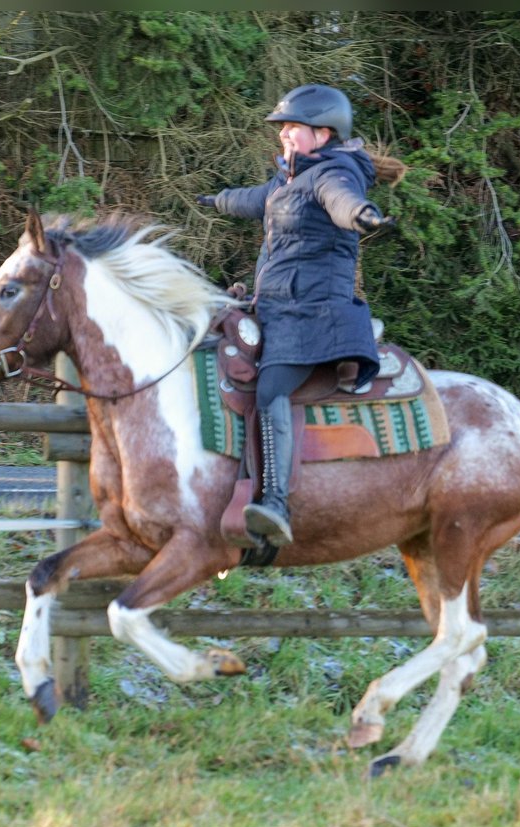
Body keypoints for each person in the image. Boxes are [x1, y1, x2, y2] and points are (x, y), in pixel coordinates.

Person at [197, 84, 395, 549]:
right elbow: (253, 199)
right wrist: (218, 200)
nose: (284, 134)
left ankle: (275, 504)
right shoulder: (287, 181)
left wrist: (364, 216)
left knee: (270, 389)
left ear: (323, 135)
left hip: (313, 316)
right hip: (278, 307)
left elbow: (344, 203)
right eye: (283, 127)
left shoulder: (332, 176)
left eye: (292, 127)